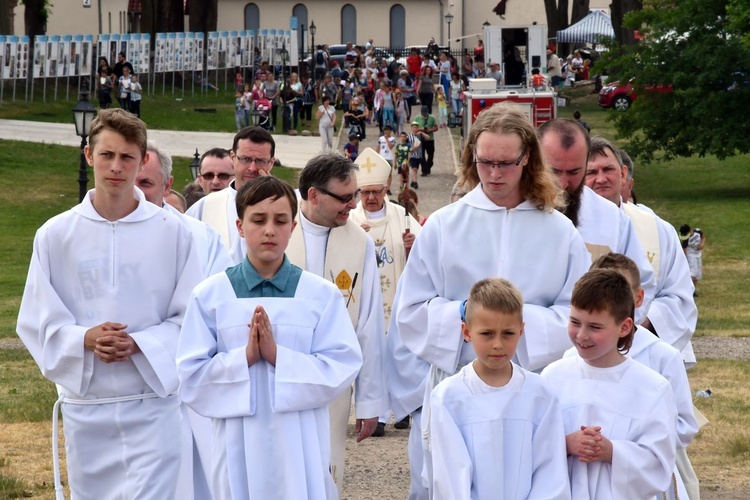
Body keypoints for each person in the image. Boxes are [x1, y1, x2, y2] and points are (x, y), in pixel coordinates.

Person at [388, 103, 590, 499]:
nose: (495, 174)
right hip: (460, 389)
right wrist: (464, 316)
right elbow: (410, 314)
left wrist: (515, 325)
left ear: (527, 158)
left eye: (506, 163)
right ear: (471, 157)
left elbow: (577, 314)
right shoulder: (444, 226)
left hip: (533, 394)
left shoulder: (559, 231)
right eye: (485, 163)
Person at [16, 108, 203, 499]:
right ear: (89, 155)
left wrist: (139, 343)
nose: (116, 167)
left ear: (142, 160)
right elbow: (37, 321)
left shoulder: (175, 234)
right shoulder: (55, 235)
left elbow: (193, 320)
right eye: (107, 155)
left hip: (153, 405)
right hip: (89, 411)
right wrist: (85, 338)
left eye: (127, 157)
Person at [177, 176, 362, 499]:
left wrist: (278, 357)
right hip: (236, 444)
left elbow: (343, 365)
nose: (269, 230)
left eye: (280, 221)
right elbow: (190, 377)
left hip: (299, 443)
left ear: (292, 227)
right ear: (239, 225)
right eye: (258, 220)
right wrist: (244, 358)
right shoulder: (211, 295)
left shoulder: (319, 295)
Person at [136, 143, 234, 500]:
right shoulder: (94, 232)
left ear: (167, 185)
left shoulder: (201, 238)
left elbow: (217, 314)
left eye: (145, 182)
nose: (135, 189)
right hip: (122, 391)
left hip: (184, 390)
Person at [288, 152, 388, 497]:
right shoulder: (278, 229)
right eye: (345, 198)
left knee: (326, 472)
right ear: (313, 195)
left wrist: (371, 401)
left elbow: (369, 323)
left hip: (332, 383)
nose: (353, 205)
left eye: (355, 195)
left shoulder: (358, 242)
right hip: (279, 377)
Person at [541, 269, 678, 499]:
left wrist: (612, 451)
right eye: (575, 322)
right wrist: (566, 444)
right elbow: (532, 445)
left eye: (595, 327)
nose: (582, 335)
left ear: (624, 327)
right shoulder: (553, 378)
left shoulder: (651, 388)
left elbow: (658, 462)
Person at [430, 278, 570, 499]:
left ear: (521, 331)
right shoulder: (449, 398)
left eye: (508, 333)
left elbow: (550, 472)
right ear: (466, 332)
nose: (497, 344)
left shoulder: (540, 395)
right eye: (487, 334)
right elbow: (451, 478)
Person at [574, 253, 700, 500]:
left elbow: (684, 424)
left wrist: (627, 443)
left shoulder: (661, 355)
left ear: (638, 297)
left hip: (639, 476)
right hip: (579, 474)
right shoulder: (570, 359)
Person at [585, 137, 698, 364]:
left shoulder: (657, 229)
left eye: (608, 169)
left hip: (641, 351)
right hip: (581, 349)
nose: (601, 178)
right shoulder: (566, 226)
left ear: (623, 173)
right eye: (591, 172)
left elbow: (679, 295)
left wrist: (638, 323)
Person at [537, 119, 656, 324]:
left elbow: (640, 285)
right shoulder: (512, 210)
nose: (564, 184)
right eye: (554, 171)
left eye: (575, 172)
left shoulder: (612, 219)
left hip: (596, 346)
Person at [350, 149, 422, 436]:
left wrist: (411, 246)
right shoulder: (351, 219)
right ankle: (377, 414)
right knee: (371, 357)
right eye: (365, 192)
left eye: (376, 191)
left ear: (386, 187)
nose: (370, 198)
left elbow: (424, 255)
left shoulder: (402, 216)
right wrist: (357, 241)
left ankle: (402, 408)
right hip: (367, 302)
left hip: (397, 300)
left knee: (400, 355)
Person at [187, 127, 277, 263]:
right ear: (233, 158)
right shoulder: (204, 207)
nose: (252, 168)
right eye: (246, 159)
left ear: (271, 163)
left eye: (260, 161)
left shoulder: (284, 206)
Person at [413, 106, 438, 176]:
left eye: (425, 113)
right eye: (423, 113)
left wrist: (429, 130)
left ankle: (429, 165)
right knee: (421, 156)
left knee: (431, 154)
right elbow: (414, 129)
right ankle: (424, 170)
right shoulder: (417, 118)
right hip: (420, 139)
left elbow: (436, 128)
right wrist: (420, 129)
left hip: (430, 139)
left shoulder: (431, 118)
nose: (424, 114)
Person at [407, 121, 426, 189]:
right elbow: (406, 145)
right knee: (414, 168)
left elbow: (428, 137)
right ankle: (415, 182)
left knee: (416, 169)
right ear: (411, 128)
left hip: (419, 155)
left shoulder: (419, 135)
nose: (414, 129)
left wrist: (422, 133)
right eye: (413, 127)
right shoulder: (409, 136)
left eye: (416, 127)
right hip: (412, 155)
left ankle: (413, 181)